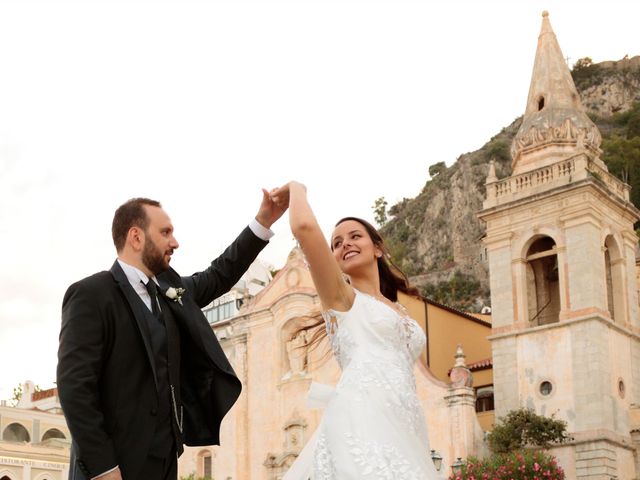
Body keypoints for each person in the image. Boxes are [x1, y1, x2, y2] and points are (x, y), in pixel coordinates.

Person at [57, 192, 286, 480]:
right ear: (136, 237)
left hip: (164, 463)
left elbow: (219, 274)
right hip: (111, 468)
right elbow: (74, 387)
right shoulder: (91, 294)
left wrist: (263, 220)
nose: (174, 242)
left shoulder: (172, 293)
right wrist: (104, 468)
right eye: (165, 232)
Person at [270, 181, 440, 479]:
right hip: (360, 418)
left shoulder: (398, 308)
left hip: (406, 424)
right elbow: (305, 227)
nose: (344, 243)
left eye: (354, 236)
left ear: (377, 248)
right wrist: (297, 189)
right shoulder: (341, 299)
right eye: (336, 243)